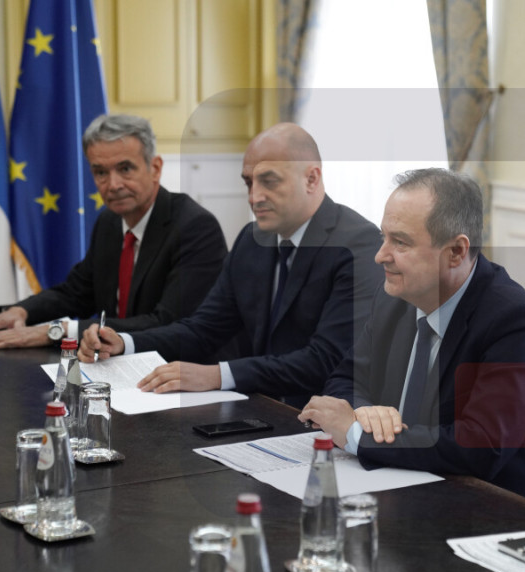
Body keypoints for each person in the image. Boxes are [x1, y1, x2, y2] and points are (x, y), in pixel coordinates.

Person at [298, 168, 525, 498]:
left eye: (400, 242)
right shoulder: (395, 298)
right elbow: (346, 379)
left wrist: (356, 434)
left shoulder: (514, 320)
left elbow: (481, 445)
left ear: (456, 252)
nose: (380, 256)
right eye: (383, 237)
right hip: (416, 487)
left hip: (517, 506)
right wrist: (363, 412)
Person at [79, 123, 383, 408]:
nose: (254, 197)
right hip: (258, 409)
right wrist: (125, 343)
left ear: (312, 179)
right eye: (248, 183)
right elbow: (203, 329)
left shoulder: (358, 245)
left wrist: (217, 375)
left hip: (321, 418)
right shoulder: (252, 240)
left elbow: (325, 360)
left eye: (269, 181)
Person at [0, 114, 228, 349]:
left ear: (155, 168)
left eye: (125, 169)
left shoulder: (195, 228)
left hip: (184, 369)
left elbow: (167, 323)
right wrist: (21, 312)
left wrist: (58, 331)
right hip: (118, 364)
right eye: (100, 172)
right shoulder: (109, 222)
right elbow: (76, 294)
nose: (113, 185)